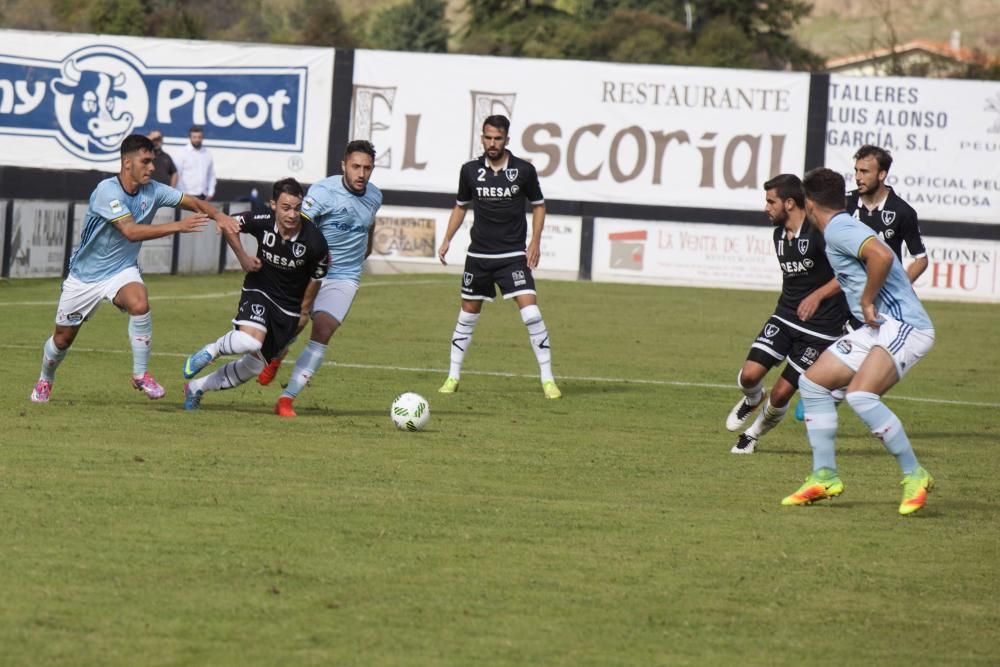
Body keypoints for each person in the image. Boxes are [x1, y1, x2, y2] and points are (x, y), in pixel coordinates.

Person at [29, 134, 240, 404]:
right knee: (62, 340)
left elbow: (193, 202)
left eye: (152, 161)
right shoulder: (107, 191)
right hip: (85, 277)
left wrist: (218, 215)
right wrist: (178, 226)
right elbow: (130, 231)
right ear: (127, 163)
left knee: (139, 303)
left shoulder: (153, 190)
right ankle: (45, 379)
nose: (152, 167)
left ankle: (141, 375)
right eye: (146, 161)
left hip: (121, 270)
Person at [782, 167, 935, 516]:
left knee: (861, 396)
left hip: (905, 325)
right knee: (813, 383)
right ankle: (824, 476)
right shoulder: (843, 226)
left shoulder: (838, 227)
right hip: (879, 329)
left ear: (808, 204)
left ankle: (916, 475)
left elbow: (881, 257)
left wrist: (867, 300)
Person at [436, 114, 560, 399]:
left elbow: (539, 206)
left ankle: (548, 379)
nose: (492, 143)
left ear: (507, 140)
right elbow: (460, 206)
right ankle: (453, 376)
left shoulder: (524, 170)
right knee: (467, 315)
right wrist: (447, 239)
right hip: (478, 256)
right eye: (488, 138)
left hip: (513, 255)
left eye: (498, 138)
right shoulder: (469, 171)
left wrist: (535, 241)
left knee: (531, 313)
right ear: (482, 138)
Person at [726, 174, 852, 454]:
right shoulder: (778, 235)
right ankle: (752, 398)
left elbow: (847, 274)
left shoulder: (820, 234)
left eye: (771, 201)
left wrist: (818, 296)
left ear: (790, 203)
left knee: (782, 393)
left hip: (821, 330)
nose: (766, 208)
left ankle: (752, 435)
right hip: (784, 317)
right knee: (749, 376)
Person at [255, 140, 382, 418]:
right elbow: (297, 224)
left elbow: (369, 224)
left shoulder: (375, 196)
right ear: (344, 166)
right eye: (356, 167)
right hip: (311, 270)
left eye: (367, 168)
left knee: (323, 330)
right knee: (295, 323)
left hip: (345, 276)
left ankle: (286, 399)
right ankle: (276, 354)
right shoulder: (324, 192)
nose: (362, 174)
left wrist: (368, 248)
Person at [181, 178, 329, 411]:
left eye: (297, 208)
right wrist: (243, 258)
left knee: (252, 367)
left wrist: (303, 311)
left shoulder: (315, 241)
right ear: (273, 205)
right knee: (250, 340)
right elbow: (229, 224)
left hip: (288, 308)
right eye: (286, 208)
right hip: (259, 290)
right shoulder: (262, 219)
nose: (292, 214)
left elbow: (317, 278)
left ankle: (196, 387)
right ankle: (211, 351)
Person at [847, 144, 927, 283]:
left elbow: (921, 259)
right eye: (856, 170)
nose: (858, 177)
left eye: (864, 172)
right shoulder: (844, 203)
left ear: (882, 174)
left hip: (883, 293)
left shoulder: (903, 211)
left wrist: (901, 288)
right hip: (848, 291)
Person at [175, 125, 216, 200]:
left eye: (199, 137)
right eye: (194, 137)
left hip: (203, 195)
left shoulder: (207, 153)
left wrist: (210, 193)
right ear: (190, 137)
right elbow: (177, 174)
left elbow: (211, 174)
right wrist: (183, 194)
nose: (197, 139)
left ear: (202, 137)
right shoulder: (182, 152)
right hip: (187, 195)